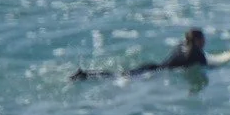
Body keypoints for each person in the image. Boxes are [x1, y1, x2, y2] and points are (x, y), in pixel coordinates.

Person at [72, 28, 207, 81]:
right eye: (202, 38)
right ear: (196, 40)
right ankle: (86, 75)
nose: (204, 41)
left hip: (152, 66)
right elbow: (206, 66)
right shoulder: (196, 54)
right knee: (118, 76)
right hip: (155, 73)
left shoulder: (182, 45)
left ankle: (87, 74)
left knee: (120, 74)